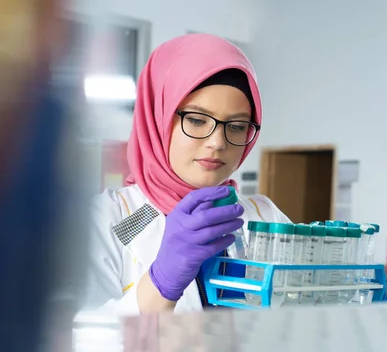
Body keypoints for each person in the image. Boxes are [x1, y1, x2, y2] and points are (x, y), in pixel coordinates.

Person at [88, 33, 289, 315]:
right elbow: (81, 345)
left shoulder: (262, 217)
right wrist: (161, 284)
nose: (217, 142)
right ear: (157, 118)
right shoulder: (118, 221)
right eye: (196, 120)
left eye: (236, 126)